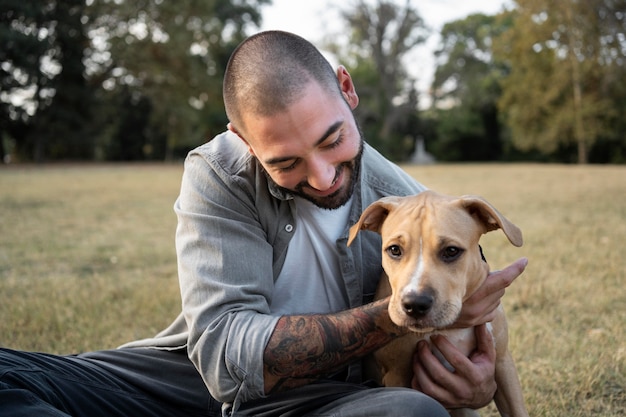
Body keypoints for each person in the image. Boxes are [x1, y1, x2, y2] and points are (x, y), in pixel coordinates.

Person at [0, 30, 527, 417]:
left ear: (347, 89)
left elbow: (467, 303)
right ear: (243, 138)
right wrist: (396, 317)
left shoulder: (408, 203)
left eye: (331, 141)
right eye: (285, 162)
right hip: (189, 379)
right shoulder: (219, 172)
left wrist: (475, 385)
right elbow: (225, 353)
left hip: (328, 397)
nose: (321, 177)